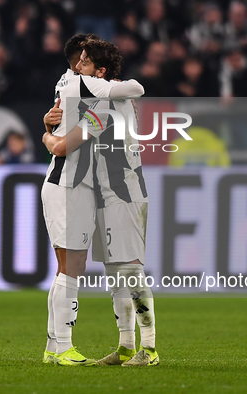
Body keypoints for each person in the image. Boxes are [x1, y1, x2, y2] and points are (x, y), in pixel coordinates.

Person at [43, 38, 158, 367]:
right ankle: (123, 345)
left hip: (126, 194)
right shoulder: (99, 98)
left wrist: (47, 136)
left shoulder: (104, 104)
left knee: (129, 272)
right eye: (77, 61)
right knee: (114, 273)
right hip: (105, 194)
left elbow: (64, 145)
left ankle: (147, 348)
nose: (78, 68)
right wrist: (51, 124)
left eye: (85, 63)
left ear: (100, 72)